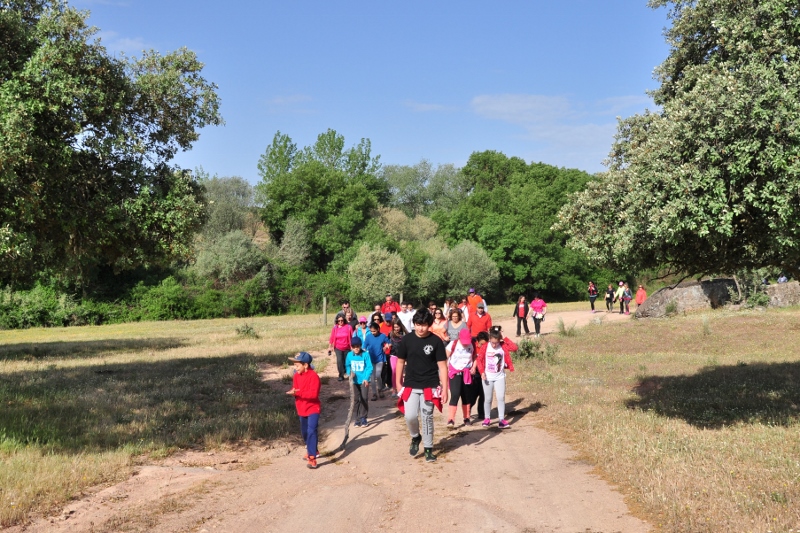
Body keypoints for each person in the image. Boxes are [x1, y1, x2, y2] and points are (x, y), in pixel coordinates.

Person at [395, 308, 448, 463]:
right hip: (411, 384)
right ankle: (415, 437)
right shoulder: (407, 340)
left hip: (429, 385)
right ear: (414, 323)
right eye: (418, 324)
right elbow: (400, 362)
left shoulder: (436, 341)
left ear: (429, 325)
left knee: (427, 418)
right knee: (410, 416)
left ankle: (428, 449)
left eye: (424, 325)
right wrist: (398, 383)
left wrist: (445, 389)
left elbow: (443, 366)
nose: (420, 328)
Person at [476, 327, 517, 429]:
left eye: (496, 342)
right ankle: (487, 418)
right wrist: (482, 372)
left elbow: (514, 348)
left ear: (499, 340)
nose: (494, 345)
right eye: (492, 342)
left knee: (501, 397)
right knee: (488, 399)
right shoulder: (485, 346)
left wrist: (505, 338)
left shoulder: (502, 346)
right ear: (489, 339)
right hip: (487, 376)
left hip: (500, 376)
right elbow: (479, 360)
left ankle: (501, 419)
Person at [286, 352, 321, 469]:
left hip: (313, 408)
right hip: (301, 408)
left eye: (297, 366)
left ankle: (312, 458)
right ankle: (314, 449)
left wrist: (298, 393)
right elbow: (295, 388)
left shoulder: (313, 376)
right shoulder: (296, 376)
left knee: (311, 430)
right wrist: (293, 392)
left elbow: (313, 394)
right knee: (305, 432)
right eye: (294, 366)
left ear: (305, 365)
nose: (295, 368)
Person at [445, 329, 477, 427]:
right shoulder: (452, 344)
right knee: (455, 394)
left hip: (467, 372)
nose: (465, 344)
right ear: (459, 337)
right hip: (455, 372)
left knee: (466, 396)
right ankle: (451, 419)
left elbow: (475, 357)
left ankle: (467, 418)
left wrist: (474, 367)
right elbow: (445, 358)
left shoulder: (472, 344)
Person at [345, 337, 373, 427]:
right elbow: (347, 365)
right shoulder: (349, 355)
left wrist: (366, 378)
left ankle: (363, 417)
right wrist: (349, 373)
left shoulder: (365, 354)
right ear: (351, 347)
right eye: (354, 346)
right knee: (356, 399)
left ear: (360, 346)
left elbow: (369, 367)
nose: (356, 348)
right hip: (354, 381)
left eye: (358, 346)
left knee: (364, 398)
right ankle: (356, 419)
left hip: (364, 381)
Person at [363, 321, 390, 401]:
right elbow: (364, 346)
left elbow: (389, 342)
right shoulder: (368, 337)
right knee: (372, 377)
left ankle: (380, 389)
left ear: (378, 329)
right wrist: (364, 353)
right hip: (370, 359)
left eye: (374, 331)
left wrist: (387, 345)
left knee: (378, 375)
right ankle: (374, 393)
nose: (372, 333)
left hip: (380, 359)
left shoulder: (382, 336)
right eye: (371, 331)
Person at [328, 315, 353, 381]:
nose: (340, 322)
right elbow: (332, 337)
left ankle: (346, 372)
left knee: (346, 361)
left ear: (344, 320)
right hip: (338, 347)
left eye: (342, 320)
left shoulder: (348, 327)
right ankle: (341, 375)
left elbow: (352, 336)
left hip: (347, 347)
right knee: (339, 361)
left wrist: (353, 346)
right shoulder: (335, 328)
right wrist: (330, 346)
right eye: (339, 321)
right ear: (337, 321)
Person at [471, 331, 489, 420]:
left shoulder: (487, 347)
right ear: (477, 341)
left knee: (483, 394)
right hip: (474, 373)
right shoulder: (472, 346)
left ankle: (481, 413)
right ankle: (467, 411)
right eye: (481, 344)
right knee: (473, 394)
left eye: (485, 344)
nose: (483, 346)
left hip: (484, 373)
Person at [387, 318, 406, 396]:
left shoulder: (404, 335)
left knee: (400, 372)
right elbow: (387, 342)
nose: (396, 329)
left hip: (401, 356)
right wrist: (387, 345)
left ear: (400, 326)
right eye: (395, 327)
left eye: (398, 327)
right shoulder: (390, 334)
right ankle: (394, 389)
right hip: (393, 355)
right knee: (394, 371)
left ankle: (400, 388)